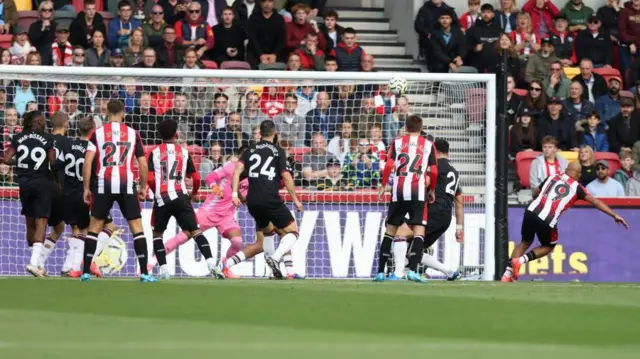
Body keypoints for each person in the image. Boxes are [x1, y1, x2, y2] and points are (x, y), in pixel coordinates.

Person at [502, 161, 628, 282]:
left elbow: (535, 193)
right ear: (578, 175)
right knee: (549, 246)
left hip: (530, 211)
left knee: (524, 242)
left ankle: (507, 275)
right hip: (547, 218)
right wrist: (614, 215)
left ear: (566, 170)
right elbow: (595, 202)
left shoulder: (552, 177)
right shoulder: (578, 188)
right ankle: (521, 261)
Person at [80, 99, 156, 283]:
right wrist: (144, 187)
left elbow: (88, 161)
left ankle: (86, 272)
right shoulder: (132, 133)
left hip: (103, 183)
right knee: (137, 229)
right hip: (126, 183)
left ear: (106, 112)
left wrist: (86, 188)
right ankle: (144, 273)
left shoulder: (97, 133)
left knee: (94, 228)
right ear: (123, 112)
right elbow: (143, 163)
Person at [231, 120, 303, 279]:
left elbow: (236, 171)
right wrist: (296, 199)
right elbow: (286, 176)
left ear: (261, 133)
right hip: (270, 199)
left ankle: (273, 273)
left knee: (268, 233)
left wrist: (236, 195)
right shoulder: (278, 151)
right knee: (293, 232)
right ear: (274, 132)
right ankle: (275, 258)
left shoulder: (250, 150)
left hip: (253, 202)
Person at [375, 115, 438, 283]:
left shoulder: (396, 142)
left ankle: (380, 272)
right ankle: (412, 271)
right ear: (421, 127)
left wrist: (382, 185)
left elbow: (388, 165)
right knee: (419, 232)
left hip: (398, 192)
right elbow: (434, 171)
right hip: (418, 192)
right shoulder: (429, 144)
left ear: (406, 127)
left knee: (390, 232)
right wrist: (432, 190)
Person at [389, 139, 463, 281]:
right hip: (446, 218)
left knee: (399, 233)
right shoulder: (455, 172)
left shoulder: (433, 166)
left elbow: (424, 183)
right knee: (413, 249)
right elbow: (459, 201)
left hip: (433, 211)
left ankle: (398, 273)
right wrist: (459, 227)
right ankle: (450, 272)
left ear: (434, 151)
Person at [0, 111, 59, 277]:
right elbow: (53, 162)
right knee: (42, 222)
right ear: (38, 122)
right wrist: (58, 182)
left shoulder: (18, 137)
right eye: (42, 121)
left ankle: (36, 261)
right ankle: (34, 263)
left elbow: (6, 159)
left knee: (29, 222)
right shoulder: (47, 138)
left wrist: (22, 161)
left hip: (24, 183)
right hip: (42, 182)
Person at [145, 119, 205, 279]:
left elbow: (150, 179)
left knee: (157, 234)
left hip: (162, 197)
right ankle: (212, 264)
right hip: (181, 195)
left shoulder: (154, 152)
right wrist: (193, 193)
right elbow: (197, 178)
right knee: (195, 231)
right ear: (176, 133)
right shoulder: (184, 152)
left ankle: (164, 270)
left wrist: (156, 191)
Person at [54, 117, 110, 278]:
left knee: (77, 230)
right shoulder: (93, 149)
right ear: (93, 130)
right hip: (87, 195)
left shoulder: (68, 145)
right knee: (108, 227)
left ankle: (67, 267)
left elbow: (57, 166)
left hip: (68, 194)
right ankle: (86, 261)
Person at [247, 0, 287, 69]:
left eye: (270, 1)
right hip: (256, 54)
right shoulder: (253, 17)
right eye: (264, 1)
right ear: (260, 3)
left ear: (273, 3)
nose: (267, 4)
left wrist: (274, 54)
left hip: (275, 55)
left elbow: (282, 39)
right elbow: (252, 38)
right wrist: (261, 55)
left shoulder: (279, 18)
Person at [429, 8, 467, 73]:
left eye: (447, 18)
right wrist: (450, 63)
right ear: (438, 20)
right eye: (442, 18)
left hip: (456, 64)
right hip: (440, 67)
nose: (445, 20)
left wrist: (459, 57)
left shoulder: (458, 33)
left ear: (451, 20)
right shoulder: (434, 34)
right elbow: (437, 52)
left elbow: (463, 48)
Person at [466, 3, 502, 72]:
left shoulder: (499, 30)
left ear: (493, 14)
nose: (485, 15)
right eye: (483, 12)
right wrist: (474, 49)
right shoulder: (472, 30)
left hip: (496, 67)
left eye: (488, 12)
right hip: (478, 68)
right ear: (480, 14)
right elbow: (465, 46)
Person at [28, 1, 57, 65]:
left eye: (50, 10)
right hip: (38, 53)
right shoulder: (34, 25)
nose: (47, 12)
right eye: (44, 10)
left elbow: (55, 40)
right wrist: (42, 29)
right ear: (40, 12)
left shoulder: (56, 25)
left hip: (53, 53)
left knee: (49, 47)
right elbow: (32, 40)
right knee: (46, 48)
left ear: (52, 12)